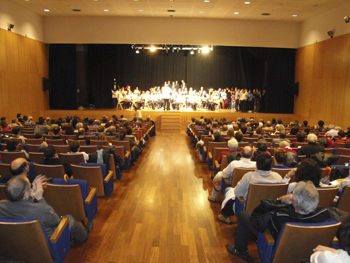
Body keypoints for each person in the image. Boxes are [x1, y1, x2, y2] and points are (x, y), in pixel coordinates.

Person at [229, 181, 350, 260]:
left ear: (294, 202)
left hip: (277, 252)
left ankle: (241, 250)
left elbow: (256, 218)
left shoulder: (280, 217)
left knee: (244, 214)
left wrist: (279, 200)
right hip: (311, 251)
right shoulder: (325, 213)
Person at [0, 175, 93, 243]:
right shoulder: (41, 210)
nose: (32, 188)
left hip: (21, 242)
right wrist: (40, 198)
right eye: (30, 187)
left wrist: (31, 196)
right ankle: (84, 235)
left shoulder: (1, 206)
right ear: (25, 194)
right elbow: (56, 219)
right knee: (68, 219)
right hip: (49, 242)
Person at [218, 154, 284, 224]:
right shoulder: (278, 177)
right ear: (270, 165)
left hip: (247, 208)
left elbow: (237, 193)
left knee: (229, 191)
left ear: (256, 164)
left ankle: (226, 217)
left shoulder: (249, 176)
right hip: (270, 209)